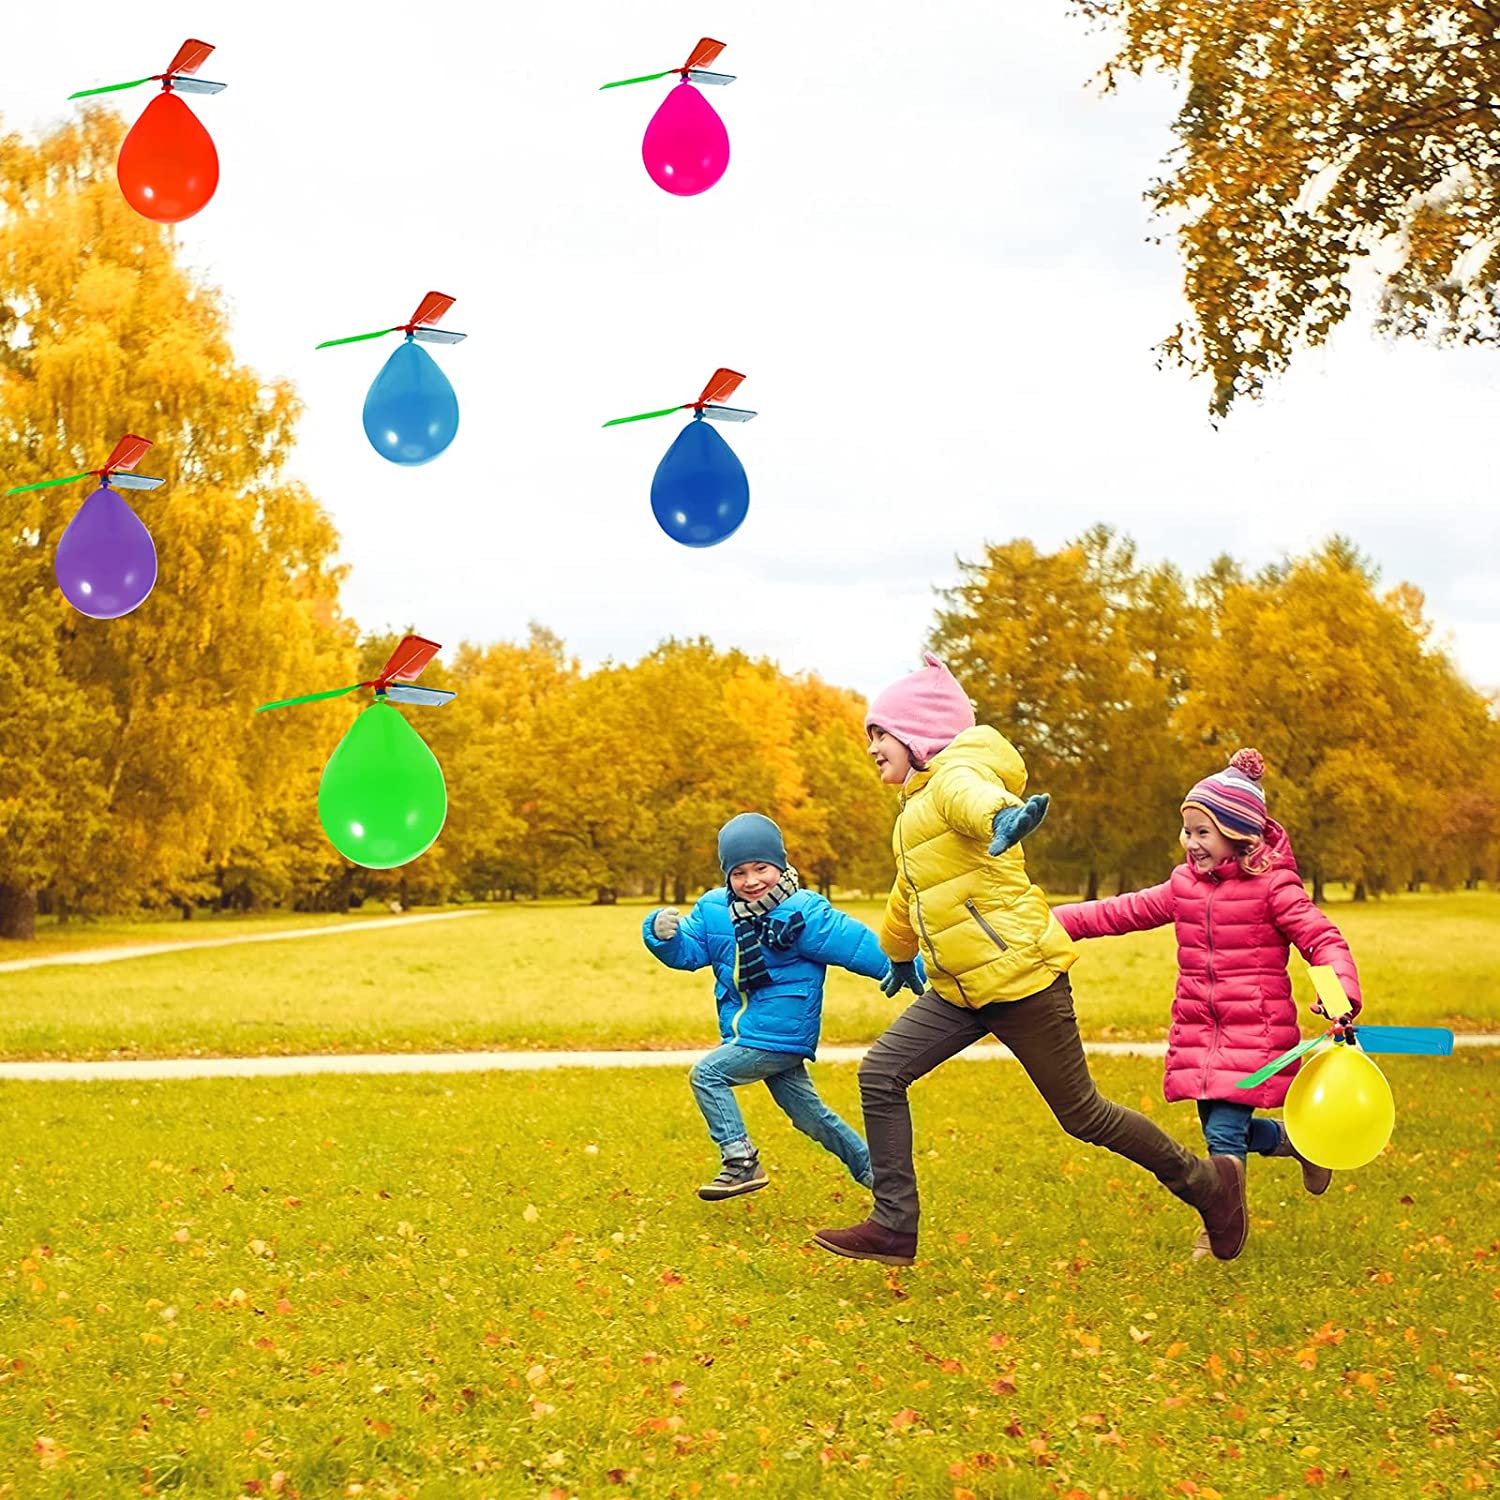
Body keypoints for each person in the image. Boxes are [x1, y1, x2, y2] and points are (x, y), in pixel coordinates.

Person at [812, 654, 1245, 1266]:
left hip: (1022, 981)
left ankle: (1208, 1185)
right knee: (882, 1073)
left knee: (1084, 1115)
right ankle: (893, 1224)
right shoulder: (914, 810)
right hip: (960, 991)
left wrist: (1004, 818)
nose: (871, 745)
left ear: (919, 737)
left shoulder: (954, 781)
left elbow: (976, 799)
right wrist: (898, 953)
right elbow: (910, 891)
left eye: (880, 733)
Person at [1052, 748, 1361, 1257]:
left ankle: (1219, 1225)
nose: (1190, 843)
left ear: (1238, 836)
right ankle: (1302, 1143)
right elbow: (1120, 911)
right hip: (1199, 1028)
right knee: (1226, 1128)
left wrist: (1340, 994)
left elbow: (1321, 939)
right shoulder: (1184, 887)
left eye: (1203, 832)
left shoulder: (1274, 888)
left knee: (1223, 1133)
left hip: (1254, 1032)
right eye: (1188, 831)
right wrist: (1054, 920)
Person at [644, 812, 923, 1201]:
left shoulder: (805, 913)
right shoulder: (714, 910)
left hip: (780, 1032)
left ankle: (740, 1161)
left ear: (781, 864)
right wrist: (662, 936)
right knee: (810, 1117)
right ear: (727, 876)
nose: (751, 880)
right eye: (739, 872)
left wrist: (917, 969)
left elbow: (859, 945)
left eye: (761, 868)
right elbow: (689, 952)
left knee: (707, 1075)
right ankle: (880, 1179)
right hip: (749, 1031)